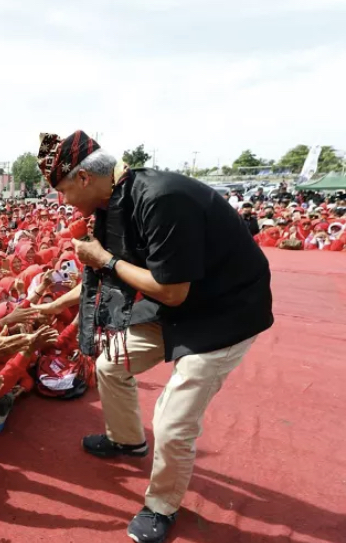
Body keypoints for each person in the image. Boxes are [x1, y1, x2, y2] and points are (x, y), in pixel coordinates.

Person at [34, 130, 274, 543]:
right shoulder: (112, 203)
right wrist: (52, 306)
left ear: (85, 179)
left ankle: (162, 505)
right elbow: (105, 275)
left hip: (224, 313)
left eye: (62, 190)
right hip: (181, 304)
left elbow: (168, 288)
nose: (63, 201)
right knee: (111, 364)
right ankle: (127, 441)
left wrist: (105, 259)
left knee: (173, 422)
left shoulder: (160, 198)